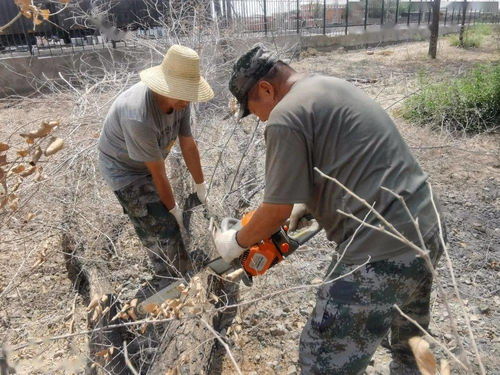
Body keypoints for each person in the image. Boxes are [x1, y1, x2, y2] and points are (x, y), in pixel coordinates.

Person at [213, 44, 446, 374]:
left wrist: (234, 242)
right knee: (409, 346)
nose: (260, 118)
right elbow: (352, 160)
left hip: (379, 253)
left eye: (255, 110)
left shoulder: (284, 116)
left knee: (322, 359)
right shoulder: (329, 85)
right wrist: (309, 204)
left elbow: (274, 211)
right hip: (427, 227)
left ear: (266, 88)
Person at [98, 44, 213, 282]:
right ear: (166, 86)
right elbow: (158, 174)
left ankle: (179, 270)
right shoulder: (138, 115)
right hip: (125, 170)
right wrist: (174, 212)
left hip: (149, 164)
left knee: (166, 221)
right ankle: (169, 280)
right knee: (162, 226)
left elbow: (188, 144)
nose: (188, 98)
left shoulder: (181, 100)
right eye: (184, 91)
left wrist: (201, 187)